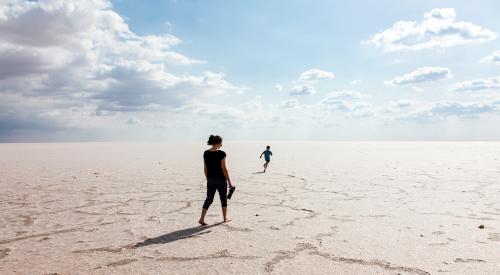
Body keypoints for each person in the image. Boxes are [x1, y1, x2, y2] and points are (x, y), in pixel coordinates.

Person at [199, 135, 233, 226]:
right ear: (217, 143)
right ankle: (225, 218)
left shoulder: (206, 153)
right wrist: (229, 182)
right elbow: (224, 169)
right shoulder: (221, 153)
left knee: (209, 199)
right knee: (223, 199)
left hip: (210, 179)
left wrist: (208, 179)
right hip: (221, 180)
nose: (221, 145)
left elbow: (205, 169)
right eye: (221, 143)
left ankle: (201, 219)